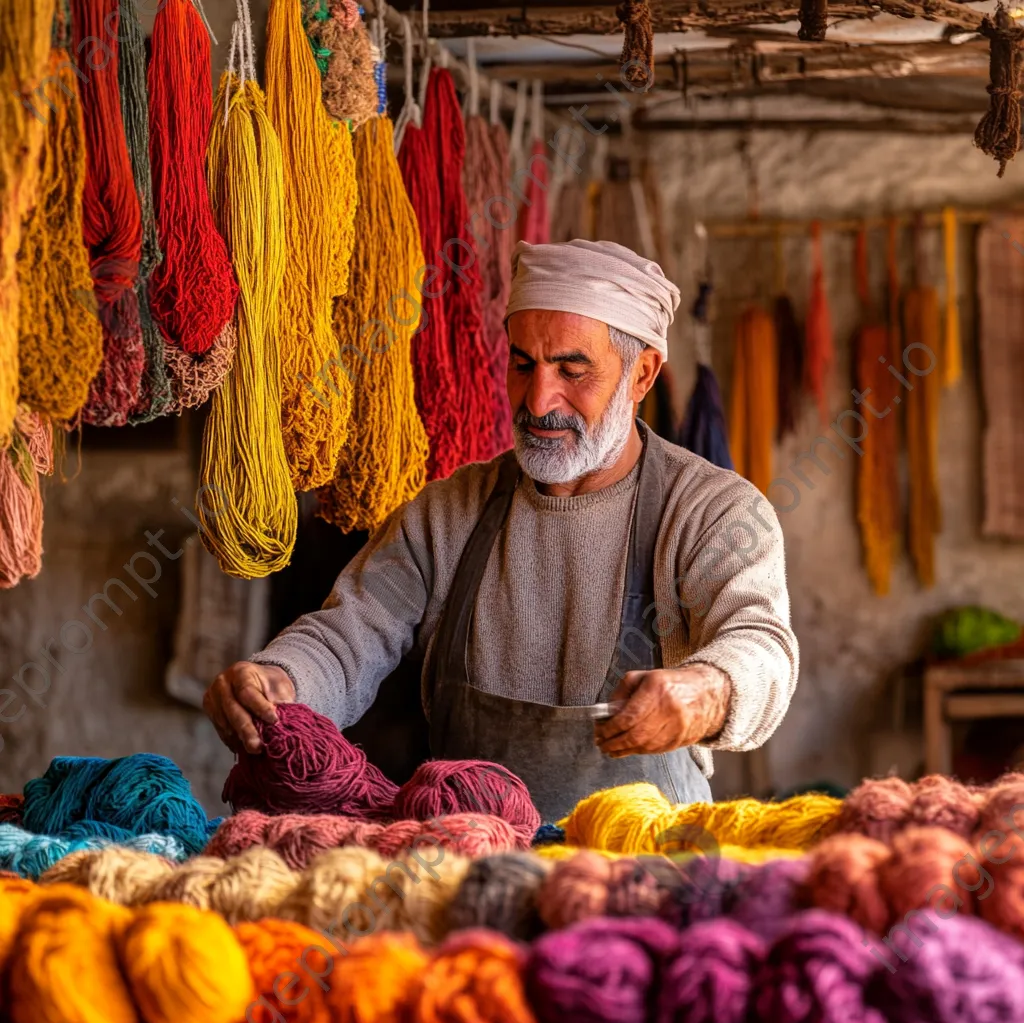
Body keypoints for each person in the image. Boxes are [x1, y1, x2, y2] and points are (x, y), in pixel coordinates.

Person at [204, 239, 799, 821]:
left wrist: (708, 690)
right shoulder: (448, 513)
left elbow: (760, 645)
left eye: (572, 369)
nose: (539, 399)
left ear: (642, 375)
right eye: (523, 364)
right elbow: (349, 635)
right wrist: (277, 680)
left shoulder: (711, 511)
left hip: (644, 872)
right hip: (463, 865)